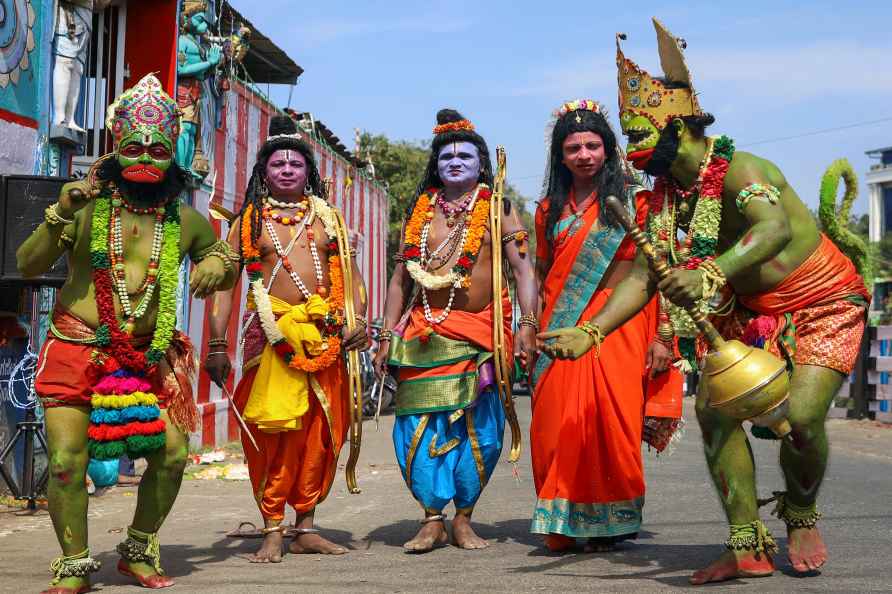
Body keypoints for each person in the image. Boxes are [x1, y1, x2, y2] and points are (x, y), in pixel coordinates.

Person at [540, 19, 869, 584]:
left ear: (682, 127)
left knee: (805, 420)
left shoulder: (744, 169)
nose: (635, 151)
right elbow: (643, 277)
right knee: (715, 417)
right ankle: (745, 544)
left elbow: (772, 233)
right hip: (744, 311)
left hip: (822, 303)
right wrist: (592, 331)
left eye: (643, 134)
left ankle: (800, 512)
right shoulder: (664, 199)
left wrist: (712, 271)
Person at [19, 73, 239, 593]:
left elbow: (221, 260)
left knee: (173, 453)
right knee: (68, 462)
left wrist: (218, 266)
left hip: (146, 358)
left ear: (173, 155)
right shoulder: (86, 207)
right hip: (76, 345)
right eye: (134, 145)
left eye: (157, 148)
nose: (145, 155)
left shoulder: (188, 220)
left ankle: (138, 546)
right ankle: (73, 563)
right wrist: (59, 215)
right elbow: (28, 265)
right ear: (115, 148)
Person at [205, 115, 369, 563]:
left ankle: (307, 526)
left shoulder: (327, 217)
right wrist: (216, 346)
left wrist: (359, 317)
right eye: (278, 164)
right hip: (270, 333)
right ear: (264, 172)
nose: (287, 170)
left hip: (323, 334)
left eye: (296, 163)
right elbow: (226, 284)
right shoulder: (249, 220)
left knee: (322, 430)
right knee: (275, 431)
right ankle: (273, 527)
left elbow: (351, 277)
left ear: (308, 172)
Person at [373, 109, 537, 552]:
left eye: (465, 154)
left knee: (479, 429)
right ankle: (431, 518)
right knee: (416, 428)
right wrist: (386, 334)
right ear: (436, 164)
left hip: (481, 336)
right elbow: (399, 280)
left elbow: (523, 272)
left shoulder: (499, 207)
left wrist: (527, 325)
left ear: (481, 163)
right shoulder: (421, 209)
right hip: (422, 334)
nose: (455, 161)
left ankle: (464, 518)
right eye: (446, 155)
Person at [530, 99, 683, 553]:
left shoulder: (638, 203)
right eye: (573, 147)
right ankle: (562, 519)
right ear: (560, 156)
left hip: (622, 324)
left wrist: (663, 336)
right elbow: (540, 276)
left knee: (611, 420)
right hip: (561, 323)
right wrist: (528, 328)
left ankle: (612, 520)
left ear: (609, 150)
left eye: (593, 145)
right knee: (557, 422)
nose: (584, 155)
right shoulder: (547, 211)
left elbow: (662, 270)